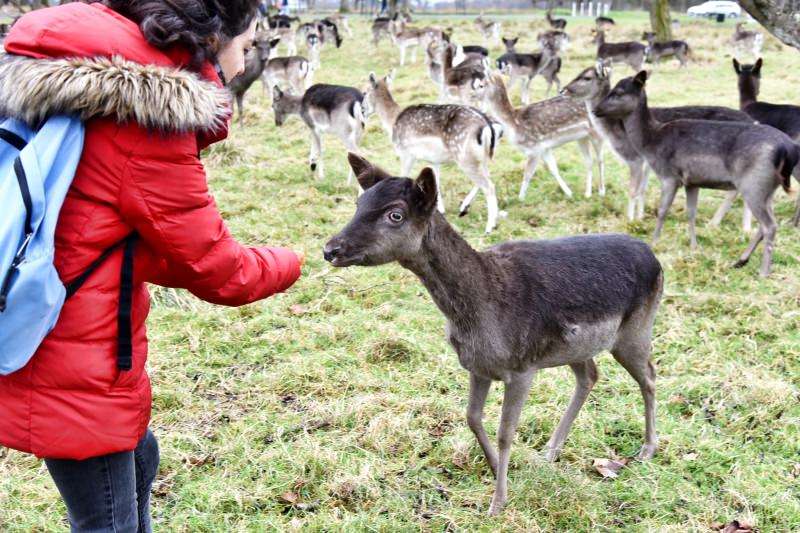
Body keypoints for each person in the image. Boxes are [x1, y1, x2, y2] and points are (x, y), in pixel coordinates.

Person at [0, 1, 302, 531]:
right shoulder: (148, 123)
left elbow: (101, 231)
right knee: (108, 520)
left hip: (42, 318)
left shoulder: (67, 81)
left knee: (140, 458)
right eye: (247, 47)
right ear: (213, 39)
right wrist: (293, 261)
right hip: (74, 356)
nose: (242, 67)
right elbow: (219, 268)